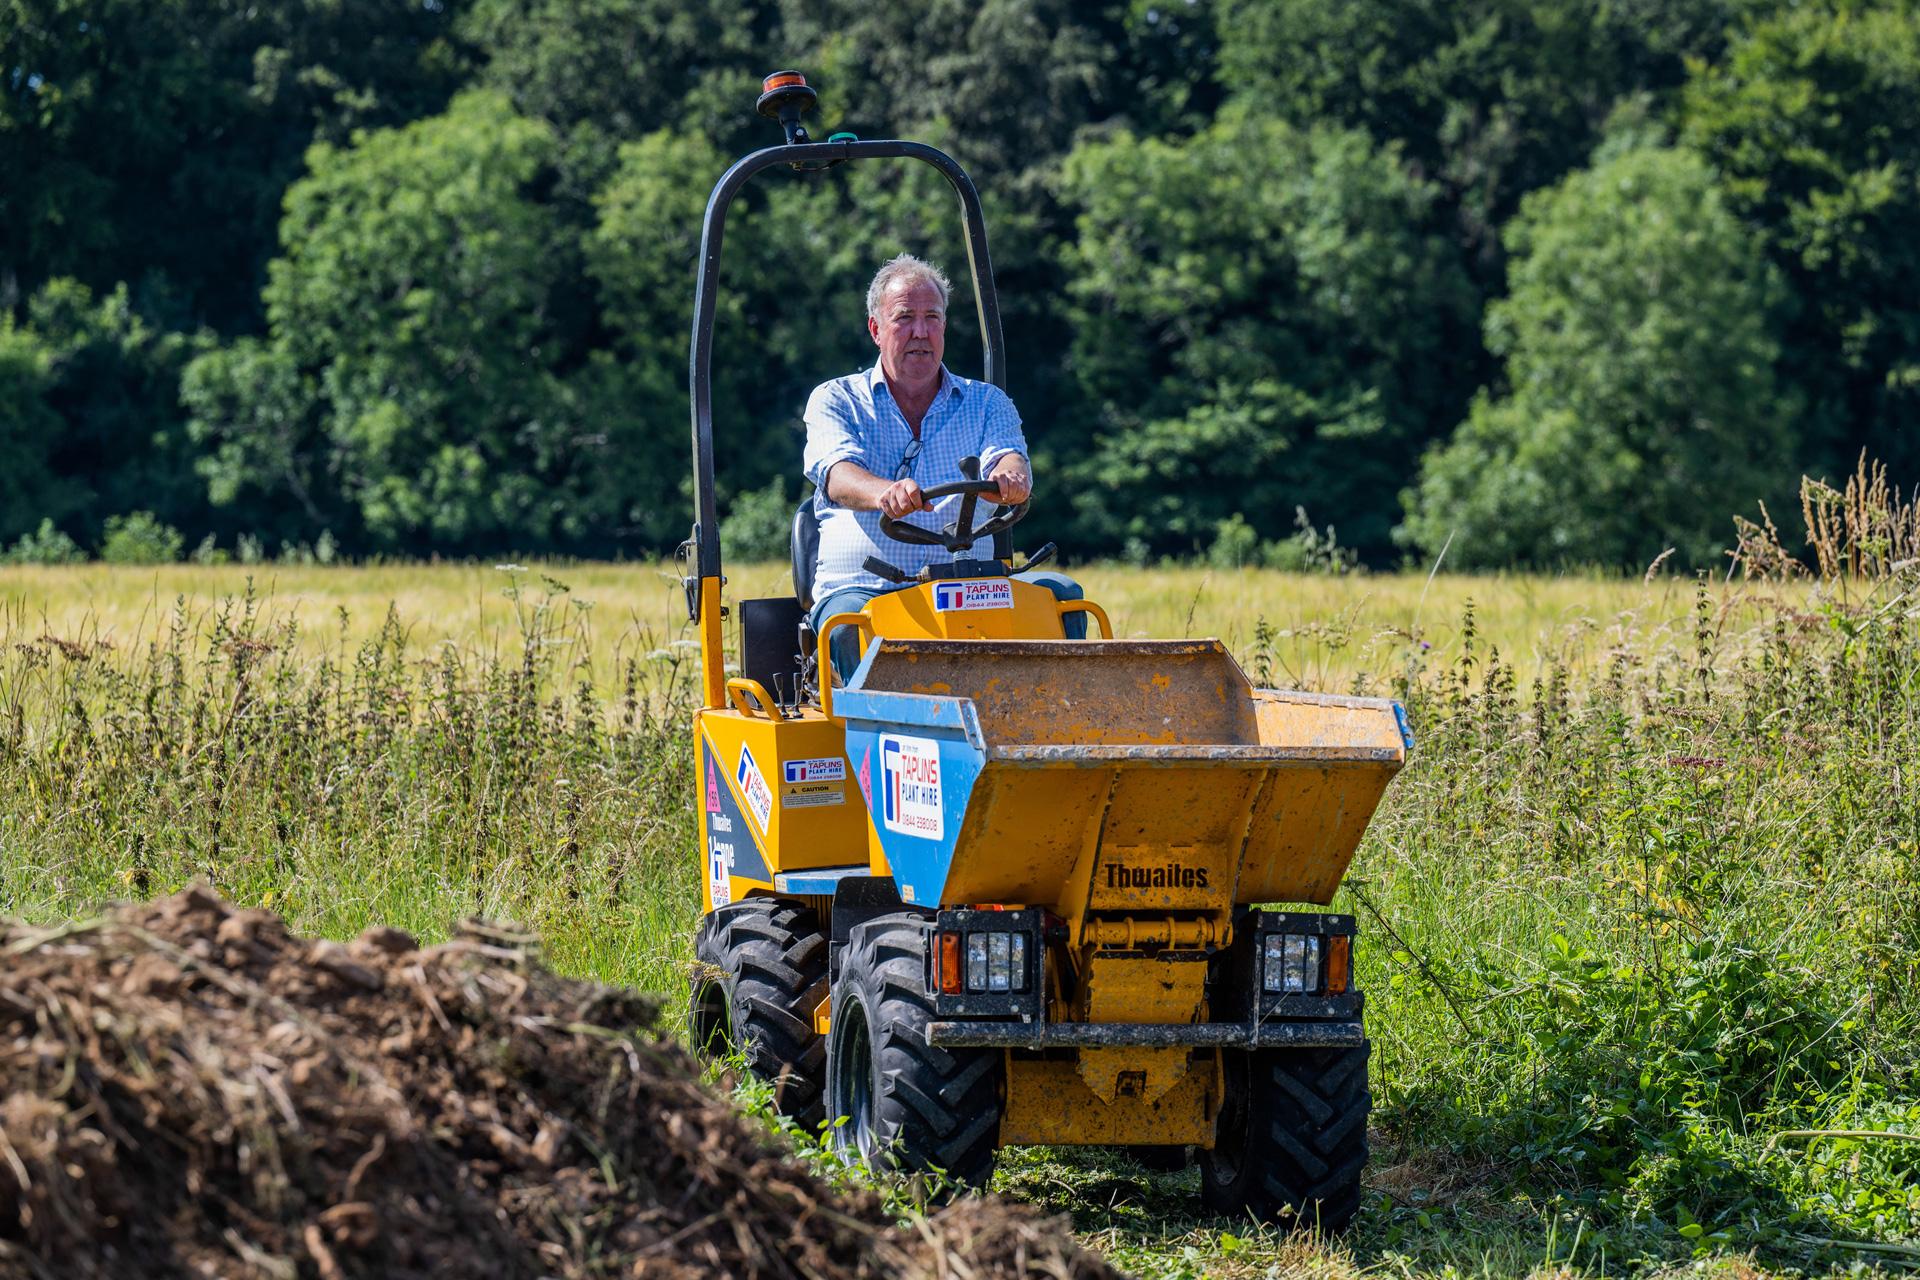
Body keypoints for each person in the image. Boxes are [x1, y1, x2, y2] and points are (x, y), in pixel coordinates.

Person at [803, 254, 1083, 680]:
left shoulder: (986, 402)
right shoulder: (836, 399)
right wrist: (884, 493)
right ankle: (873, 736)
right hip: (870, 588)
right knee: (848, 623)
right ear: (876, 329)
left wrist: (1011, 477)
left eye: (932, 317)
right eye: (904, 318)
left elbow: (1007, 455)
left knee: (1064, 596)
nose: (920, 331)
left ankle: (1050, 726)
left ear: (945, 327)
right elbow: (837, 474)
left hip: (971, 589)